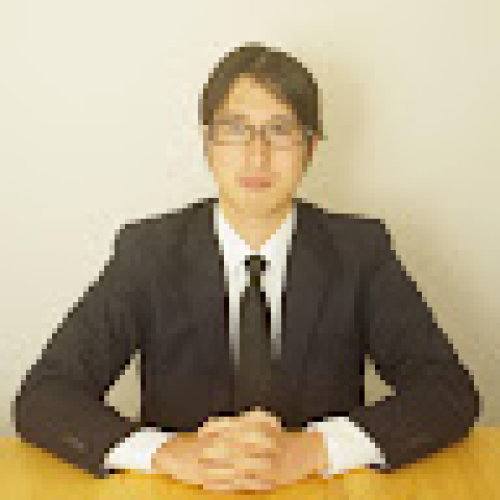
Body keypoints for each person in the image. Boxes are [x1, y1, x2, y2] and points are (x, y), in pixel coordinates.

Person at [12, 41, 481, 493]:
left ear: (311, 147)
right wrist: (171, 454)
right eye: (236, 130)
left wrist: (313, 450)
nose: (257, 155)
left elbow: (447, 391)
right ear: (208, 144)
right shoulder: (148, 253)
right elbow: (45, 395)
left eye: (280, 130)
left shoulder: (359, 251)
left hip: (315, 490)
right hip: (186, 491)